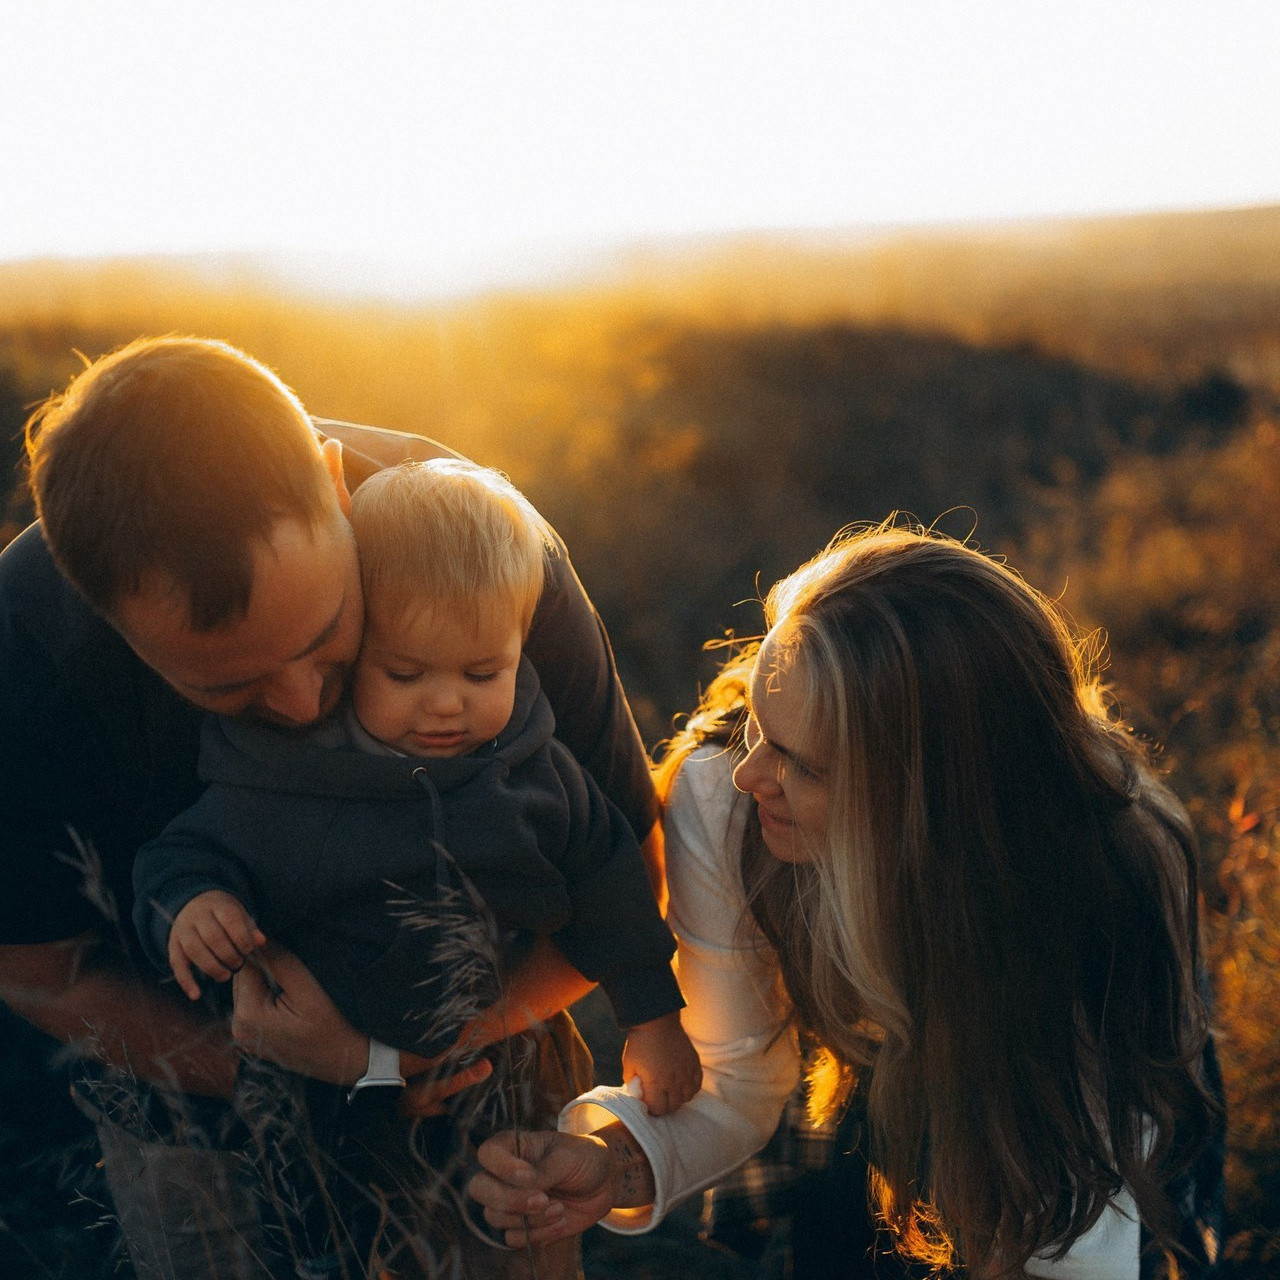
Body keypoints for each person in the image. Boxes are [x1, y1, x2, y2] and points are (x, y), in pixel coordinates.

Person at [0, 336, 664, 1280]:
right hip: (191, 1111)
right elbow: (43, 972)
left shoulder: (479, 541)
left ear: (333, 481)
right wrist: (282, 1068)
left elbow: (634, 866)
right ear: (99, 612)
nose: (303, 704)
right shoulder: (26, 646)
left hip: (483, 1068)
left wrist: (415, 1055)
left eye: (326, 639)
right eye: (228, 689)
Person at [469, 523, 1223, 1280]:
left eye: (801, 765)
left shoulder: (1108, 872)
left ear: (926, 801)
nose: (749, 774)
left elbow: (1082, 1199)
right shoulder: (724, 802)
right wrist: (615, 1162)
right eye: (757, 726)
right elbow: (737, 1083)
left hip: (1057, 1114)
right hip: (860, 1091)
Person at [130, 457, 700, 1278]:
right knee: (322, 1248)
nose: (446, 703)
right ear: (351, 647)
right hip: (317, 1086)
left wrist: (652, 1017)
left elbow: (609, 874)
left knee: (514, 1244)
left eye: (483, 673)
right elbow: (181, 854)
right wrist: (192, 904)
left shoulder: (532, 773)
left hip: (501, 1062)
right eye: (404, 674)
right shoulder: (284, 776)